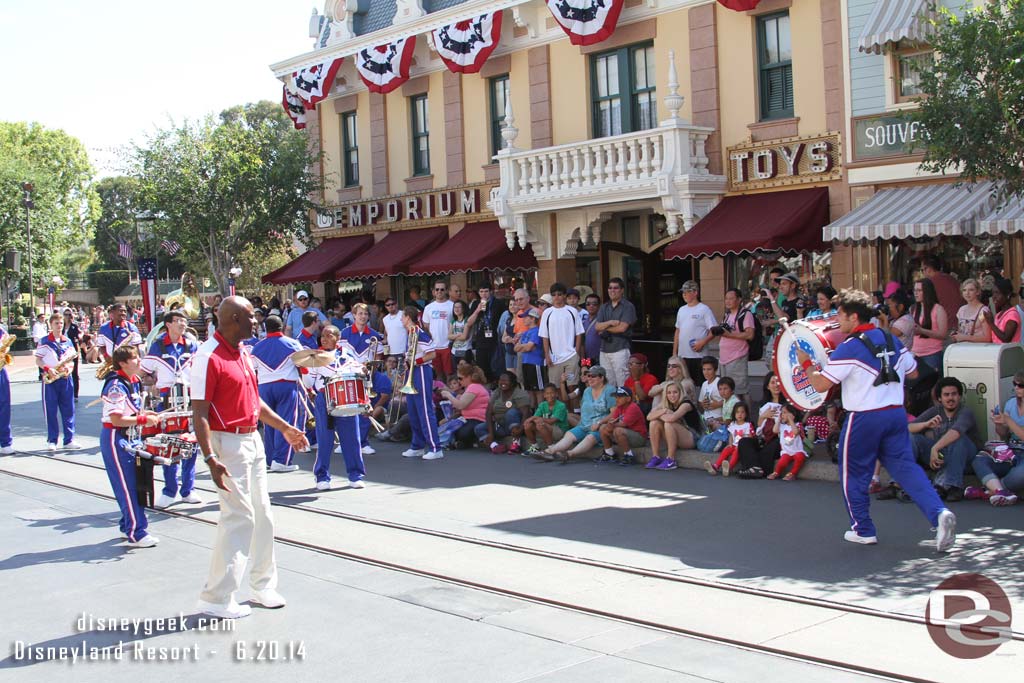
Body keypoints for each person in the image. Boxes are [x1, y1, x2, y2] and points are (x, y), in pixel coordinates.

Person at [796, 288, 955, 550]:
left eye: (842, 316)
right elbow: (914, 372)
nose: (839, 321)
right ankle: (939, 514)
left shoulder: (850, 347)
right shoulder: (891, 339)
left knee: (853, 473)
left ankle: (863, 529)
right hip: (895, 414)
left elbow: (821, 384)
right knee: (906, 468)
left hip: (864, 418)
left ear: (854, 317)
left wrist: (807, 363)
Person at [190, 296, 309, 619]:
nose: (256, 321)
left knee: (263, 514)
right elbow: (199, 411)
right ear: (231, 320)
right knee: (239, 517)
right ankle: (216, 597)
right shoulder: (208, 357)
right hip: (227, 443)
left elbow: (254, 399)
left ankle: (262, 585)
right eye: (249, 317)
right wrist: (210, 457)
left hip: (251, 439)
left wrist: (285, 428)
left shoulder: (243, 353)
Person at [99, 345, 162, 547]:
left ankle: (128, 523)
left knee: (136, 483)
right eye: (135, 358)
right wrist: (143, 420)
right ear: (123, 363)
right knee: (128, 487)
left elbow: (131, 412)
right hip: (116, 438)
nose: (139, 361)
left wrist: (145, 415)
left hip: (130, 437)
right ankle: (137, 532)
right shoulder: (117, 386)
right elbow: (116, 419)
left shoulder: (132, 381)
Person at [140, 310, 202, 508]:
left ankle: (188, 489)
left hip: (189, 397)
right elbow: (145, 373)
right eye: (178, 321)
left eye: (184, 320)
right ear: (168, 324)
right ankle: (169, 490)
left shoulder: (192, 345)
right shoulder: (157, 346)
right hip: (167, 398)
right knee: (168, 444)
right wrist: (154, 383)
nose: (183, 324)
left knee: (191, 443)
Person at [302, 325, 367, 490]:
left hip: (346, 397)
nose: (324, 338)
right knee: (324, 439)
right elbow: (309, 383)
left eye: (328, 335)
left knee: (351, 438)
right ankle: (322, 476)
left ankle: (355, 474)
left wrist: (363, 370)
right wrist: (305, 370)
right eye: (322, 335)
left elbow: (358, 372)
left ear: (337, 338)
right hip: (325, 398)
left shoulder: (347, 355)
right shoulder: (316, 357)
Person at [909, 377, 982, 500]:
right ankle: (902, 482)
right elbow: (908, 427)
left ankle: (953, 486)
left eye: (954, 394)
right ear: (939, 398)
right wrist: (925, 425)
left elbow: (956, 432)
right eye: (946, 395)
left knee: (958, 439)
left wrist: (935, 448)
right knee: (911, 438)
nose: (950, 398)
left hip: (964, 458)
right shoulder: (935, 411)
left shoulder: (965, 412)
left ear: (959, 396)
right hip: (941, 456)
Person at [250, 315, 304, 472]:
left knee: (270, 422)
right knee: (286, 421)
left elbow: (254, 368)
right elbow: (302, 364)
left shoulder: (257, 347)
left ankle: (270, 458)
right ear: (281, 326)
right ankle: (281, 460)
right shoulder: (293, 343)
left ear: (266, 328)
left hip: (264, 387)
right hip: (286, 385)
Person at [968, 371, 1024, 505]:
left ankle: (989, 491)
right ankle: (1000, 492)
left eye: (1021, 385)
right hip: (1010, 452)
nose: (1016, 388)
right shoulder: (1011, 403)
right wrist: (999, 423)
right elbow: (1003, 434)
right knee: (979, 459)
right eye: (1014, 384)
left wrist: (1008, 420)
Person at [399, 306, 444, 460]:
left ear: (407, 317)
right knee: (412, 410)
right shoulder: (410, 333)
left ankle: (435, 447)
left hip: (422, 371)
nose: (401, 319)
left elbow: (432, 354)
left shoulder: (419, 333)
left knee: (425, 410)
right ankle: (417, 445)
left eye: (402, 316)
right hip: (413, 372)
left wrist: (415, 361)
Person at [544, 366, 616, 462]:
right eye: (588, 376)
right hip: (584, 424)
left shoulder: (610, 390)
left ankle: (569, 454)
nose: (589, 378)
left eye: (593, 376)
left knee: (590, 437)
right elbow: (583, 409)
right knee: (569, 434)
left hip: (600, 426)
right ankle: (549, 452)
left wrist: (599, 423)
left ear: (602, 377)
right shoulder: (587, 391)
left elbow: (614, 413)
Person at [36, 313, 81, 451]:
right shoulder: (44, 341)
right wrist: (48, 369)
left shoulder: (67, 341)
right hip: (51, 380)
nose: (59, 326)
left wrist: (69, 368)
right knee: (51, 410)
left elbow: (72, 359)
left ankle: (69, 439)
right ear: (51, 324)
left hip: (65, 379)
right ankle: (52, 440)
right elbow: (38, 360)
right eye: (56, 323)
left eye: (61, 323)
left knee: (69, 410)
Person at [539, 282, 585, 410]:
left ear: (564, 295)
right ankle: (564, 415)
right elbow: (544, 336)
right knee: (557, 388)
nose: (557, 297)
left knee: (572, 386)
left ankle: (576, 412)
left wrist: (576, 352)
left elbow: (579, 333)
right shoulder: (547, 313)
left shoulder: (572, 311)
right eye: (554, 295)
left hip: (571, 356)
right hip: (554, 358)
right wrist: (547, 355)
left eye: (559, 294)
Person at [734, 373, 785, 479]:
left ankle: (754, 469)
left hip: (780, 438)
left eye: (778, 382)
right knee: (744, 442)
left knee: (771, 447)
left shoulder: (787, 404)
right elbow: (759, 426)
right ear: (767, 386)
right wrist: (763, 416)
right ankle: (755, 468)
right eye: (773, 382)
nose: (776, 385)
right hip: (764, 437)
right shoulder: (764, 404)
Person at [646, 380, 702, 471]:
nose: (672, 395)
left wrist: (660, 415)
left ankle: (671, 460)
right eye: (669, 393)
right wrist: (664, 411)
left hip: (693, 438)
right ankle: (656, 456)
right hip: (678, 436)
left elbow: (671, 418)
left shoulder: (686, 404)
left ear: (680, 392)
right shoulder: (666, 403)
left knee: (669, 424)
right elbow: (649, 417)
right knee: (654, 423)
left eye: (675, 392)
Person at [594, 277, 637, 387]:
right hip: (604, 350)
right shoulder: (604, 307)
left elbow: (622, 328)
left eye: (615, 288)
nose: (612, 290)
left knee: (623, 383)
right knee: (608, 385)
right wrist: (610, 322)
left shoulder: (628, 306)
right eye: (610, 288)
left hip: (620, 349)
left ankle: (626, 405)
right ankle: (612, 405)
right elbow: (597, 326)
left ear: (622, 290)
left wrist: (604, 327)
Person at [714, 288, 755, 400]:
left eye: (731, 298)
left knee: (740, 391)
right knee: (727, 392)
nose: (728, 301)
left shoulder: (745, 314)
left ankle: (746, 416)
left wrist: (729, 335)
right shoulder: (727, 315)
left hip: (737, 358)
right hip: (724, 359)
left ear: (739, 299)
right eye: (726, 298)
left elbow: (749, 335)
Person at [673, 280, 717, 381]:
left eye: (687, 292)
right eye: (683, 292)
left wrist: (703, 342)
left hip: (699, 356)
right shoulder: (681, 310)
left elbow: (713, 330)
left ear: (695, 292)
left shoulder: (704, 309)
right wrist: (674, 353)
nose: (684, 295)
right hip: (683, 355)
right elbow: (677, 331)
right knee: (684, 384)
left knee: (700, 383)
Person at [479, 372, 532, 454]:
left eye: (506, 380)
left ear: (512, 382)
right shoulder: (497, 392)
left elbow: (526, 413)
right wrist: (491, 433)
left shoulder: (520, 394)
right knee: (479, 428)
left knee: (511, 412)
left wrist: (521, 429)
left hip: (516, 426)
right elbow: (488, 413)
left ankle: (516, 443)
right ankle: (495, 446)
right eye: (500, 380)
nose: (502, 383)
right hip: (500, 425)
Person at [439, 364, 490, 449]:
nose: (459, 381)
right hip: (470, 419)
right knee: (449, 428)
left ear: (469, 377)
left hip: (477, 420)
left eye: (460, 378)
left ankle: (465, 442)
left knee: (460, 433)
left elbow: (460, 405)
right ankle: (462, 443)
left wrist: (449, 395)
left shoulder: (474, 387)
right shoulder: (472, 387)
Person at [596, 386, 648, 466]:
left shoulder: (633, 407)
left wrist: (611, 425)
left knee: (618, 430)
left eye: (620, 397)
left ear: (628, 399)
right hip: (626, 435)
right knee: (603, 428)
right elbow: (613, 419)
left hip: (639, 438)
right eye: (616, 397)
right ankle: (609, 454)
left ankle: (629, 455)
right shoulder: (619, 407)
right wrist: (608, 424)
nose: (617, 399)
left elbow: (623, 424)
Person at [466, 282, 503, 381]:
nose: (484, 294)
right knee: (482, 368)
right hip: (480, 341)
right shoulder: (475, 303)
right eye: (481, 292)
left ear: (491, 292)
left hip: (494, 340)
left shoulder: (498, 303)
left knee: (495, 367)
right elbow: (469, 322)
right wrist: (478, 310)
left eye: (486, 291)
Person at [705, 401, 753, 475]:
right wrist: (730, 443)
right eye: (737, 412)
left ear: (746, 414)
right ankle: (716, 466)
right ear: (734, 414)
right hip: (733, 444)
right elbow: (731, 435)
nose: (740, 414)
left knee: (736, 452)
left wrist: (744, 439)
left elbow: (750, 436)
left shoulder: (748, 425)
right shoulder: (733, 424)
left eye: (742, 412)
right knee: (726, 450)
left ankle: (729, 467)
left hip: (741, 447)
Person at [911, 278, 948, 371]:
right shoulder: (913, 309)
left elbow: (943, 334)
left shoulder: (938, 309)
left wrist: (922, 331)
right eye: (915, 290)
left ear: (927, 291)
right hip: (915, 353)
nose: (916, 293)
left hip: (932, 353)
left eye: (919, 290)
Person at [523, 384, 570, 455]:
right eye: (547, 393)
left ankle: (551, 448)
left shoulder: (561, 405)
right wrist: (530, 420)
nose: (550, 395)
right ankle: (535, 447)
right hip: (546, 429)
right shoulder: (542, 405)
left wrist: (538, 419)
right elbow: (535, 417)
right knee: (528, 425)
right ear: (544, 395)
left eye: (552, 393)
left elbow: (552, 421)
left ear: (556, 394)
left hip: (559, 431)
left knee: (540, 424)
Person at [423, 280, 455, 382]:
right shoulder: (428, 307)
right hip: (434, 347)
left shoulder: (452, 305)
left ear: (446, 291)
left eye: (442, 289)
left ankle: (451, 397)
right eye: (437, 289)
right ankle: (441, 397)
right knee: (438, 376)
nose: (439, 291)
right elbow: (426, 326)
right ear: (433, 291)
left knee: (450, 375)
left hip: (448, 345)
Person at [768, 404, 808, 481]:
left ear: (793, 414)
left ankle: (792, 473)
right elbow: (775, 431)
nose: (782, 415)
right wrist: (778, 421)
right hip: (786, 451)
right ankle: (776, 472)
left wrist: (791, 421)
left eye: (785, 412)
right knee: (782, 462)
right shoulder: (782, 426)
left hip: (797, 451)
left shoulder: (797, 425)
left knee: (800, 457)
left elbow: (795, 432)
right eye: (782, 413)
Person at [515, 308, 546, 406]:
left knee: (538, 390)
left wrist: (523, 347)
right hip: (526, 362)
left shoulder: (536, 331)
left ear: (533, 319)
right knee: (529, 390)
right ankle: (533, 410)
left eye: (526, 317)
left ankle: (541, 411)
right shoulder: (525, 332)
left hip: (535, 363)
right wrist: (524, 347)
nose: (523, 319)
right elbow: (516, 348)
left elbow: (529, 347)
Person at [921, 255, 964, 324]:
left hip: (944, 326)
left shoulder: (929, 283)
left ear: (928, 269)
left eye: (922, 270)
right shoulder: (952, 279)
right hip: (960, 323)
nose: (922, 273)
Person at [949, 278, 991, 344]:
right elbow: (961, 331)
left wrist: (964, 337)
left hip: (978, 350)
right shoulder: (961, 310)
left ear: (978, 292)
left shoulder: (982, 311)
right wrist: (955, 335)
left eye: (971, 290)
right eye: (964, 290)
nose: (967, 293)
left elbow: (987, 337)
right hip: (963, 349)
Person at [982, 277, 1021, 344]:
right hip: (999, 352)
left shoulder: (1012, 314)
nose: (994, 296)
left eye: (997, 293)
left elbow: (1006, 338)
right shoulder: (999, 314)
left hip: (1009, 353)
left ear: (1008, 295)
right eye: (993, 293)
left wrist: (991, 323)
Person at [0, 324, 14, 454]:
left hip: (0, 371)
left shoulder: (1, 330)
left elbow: (6, 342)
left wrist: (4, 348)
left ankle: (5, 442)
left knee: (4, 406)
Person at [698, 356, 724, 429]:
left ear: (715, 370)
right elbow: (700, 402)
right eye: (704, 369)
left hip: (719, 418)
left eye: (709, 369)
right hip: (706, 417)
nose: (706, 372)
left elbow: (731, 400)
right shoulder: (704, 384)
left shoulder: (720, 382)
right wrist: (703, 404)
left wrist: (718, 404)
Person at [62, 309, 82, 401]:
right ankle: (65, 393)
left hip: (72, 352)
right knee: (63, 373)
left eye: (69, 315)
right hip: (62, 352)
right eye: (66, 314)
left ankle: (75, 394)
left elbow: (77, 338)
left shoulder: (74, 326)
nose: (67, 316)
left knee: (74, 373)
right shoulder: (61, 326)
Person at [449, 300, 474, 365]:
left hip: (465, 350)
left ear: (463, 309)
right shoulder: (453, 321)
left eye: (459, 307)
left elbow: (464, 337)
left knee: (464, 372)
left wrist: (453, 336)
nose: (456, 309)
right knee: (457, 372)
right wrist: (458, 335)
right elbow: (449, 336)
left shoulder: (467, 320)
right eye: (455, 307)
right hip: (454, 351)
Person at [582, 294, 603, 366]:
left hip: (600, 358)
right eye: (588, 304)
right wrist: (583, 363)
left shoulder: (603, 320)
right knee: (588, 375)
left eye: (594, 304)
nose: (591, 306)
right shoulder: (583, 322)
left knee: (599, 376)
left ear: (599, 305)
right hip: (587, 358)